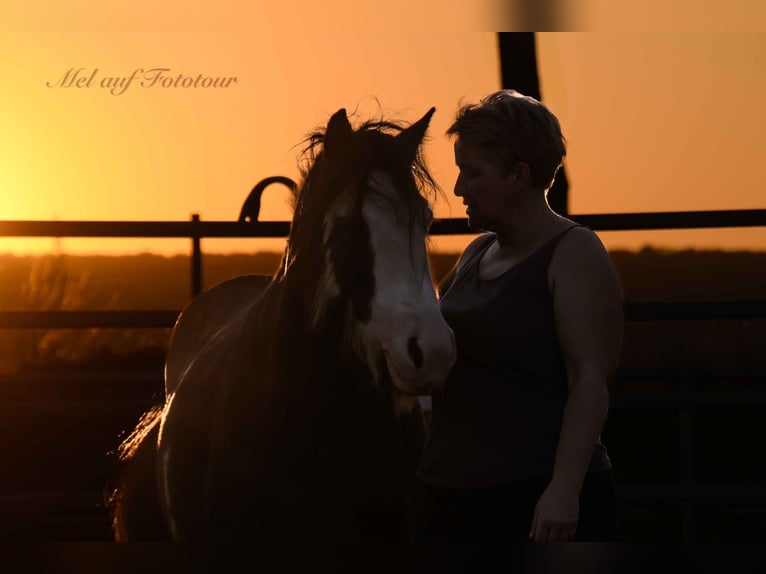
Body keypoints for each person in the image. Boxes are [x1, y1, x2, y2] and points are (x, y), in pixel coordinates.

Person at [413, 89, 624, 543]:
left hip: (531, 500)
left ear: (518, 175)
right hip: (452, 494)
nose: (458, 189)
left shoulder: (574, 253)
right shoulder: (475, 253)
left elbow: (590, 382)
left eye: (472, 173)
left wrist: (564, 493)